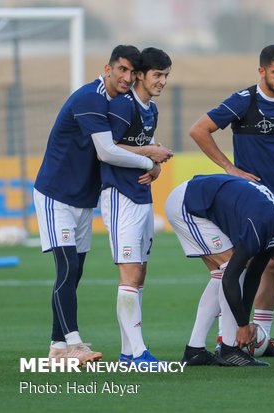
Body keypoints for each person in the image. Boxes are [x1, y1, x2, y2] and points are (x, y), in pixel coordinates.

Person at [33, 45, 160, 366]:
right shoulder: (90, 98)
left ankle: (57, 346)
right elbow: (106, 151)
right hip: (55, 195)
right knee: (68, 268)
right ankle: (74, 343)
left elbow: (119, 145)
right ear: (107, 68)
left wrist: (149, 155)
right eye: (122, 70)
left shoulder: (118, 103)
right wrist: (148, 160)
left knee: (74, 274)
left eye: (132, 72)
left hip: (83, 198)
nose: (127, 77)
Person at [188, 45, 274, 358]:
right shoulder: (244, 100)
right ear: (261, 71)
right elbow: (199, 130)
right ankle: (231, 337)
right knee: (240, 266)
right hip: (251, 203)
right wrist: (229, 167)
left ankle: (261, 340)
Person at [165, 174, 274, 367]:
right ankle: (229, 349)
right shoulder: (263, 225)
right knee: (231, 271)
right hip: (188, 203)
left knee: (225, 273)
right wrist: (242, 326)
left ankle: (195, 351)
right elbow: (231, 280)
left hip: (200, 199)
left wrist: (246, 321)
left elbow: (254, 277)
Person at [100, 47, 174, 367]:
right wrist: (148, 156)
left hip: (142, 196)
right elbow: (109, 147)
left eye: (166, 76)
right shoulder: (122, 106)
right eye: (157, 75)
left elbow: (151, 151)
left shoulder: (151, 109)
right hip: (120, 195)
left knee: (139, 274)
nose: (162, 81)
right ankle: (139, 352)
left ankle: (128, 353)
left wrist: (155, 167)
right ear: (140, 75)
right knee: (129, 275)